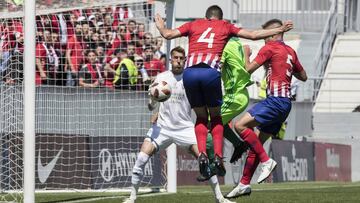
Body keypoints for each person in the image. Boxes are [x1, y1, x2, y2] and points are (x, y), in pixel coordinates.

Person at [155, 5, 293, 178]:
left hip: (190, 74)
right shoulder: (227, 30)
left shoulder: (194, 24)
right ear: (221, 18)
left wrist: (160, 25)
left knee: (201, 118)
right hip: (213, 76)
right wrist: (280, 29)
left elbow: (167, 34)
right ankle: (219, 158)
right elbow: (252, 35)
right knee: (216, 117)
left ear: (206, 17)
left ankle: (204, 156)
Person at [123, 46, 234, 203]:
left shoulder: (190, 80)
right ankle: (132, 198)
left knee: (204, 162)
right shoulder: (162, 77)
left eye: (182, 58)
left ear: (185, 60)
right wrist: (152, 102)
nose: (179, 61)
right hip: (163, 127)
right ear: (170, 59)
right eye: (175, 58)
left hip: (185, 128)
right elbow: (151, 106)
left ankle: (220, 198)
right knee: (141, 158)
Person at [225, 19, 307, 198]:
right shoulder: (290, 51)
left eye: (264, 36)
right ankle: (244, 184)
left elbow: (247, 69)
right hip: (285, 104)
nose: (263, 39)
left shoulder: (269, 48)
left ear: (272, 35)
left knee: (239, 126)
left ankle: (266, 161)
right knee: (257, 144)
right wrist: (282, 67)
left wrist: (246, 53)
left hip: (274, 100)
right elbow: (304, 76)